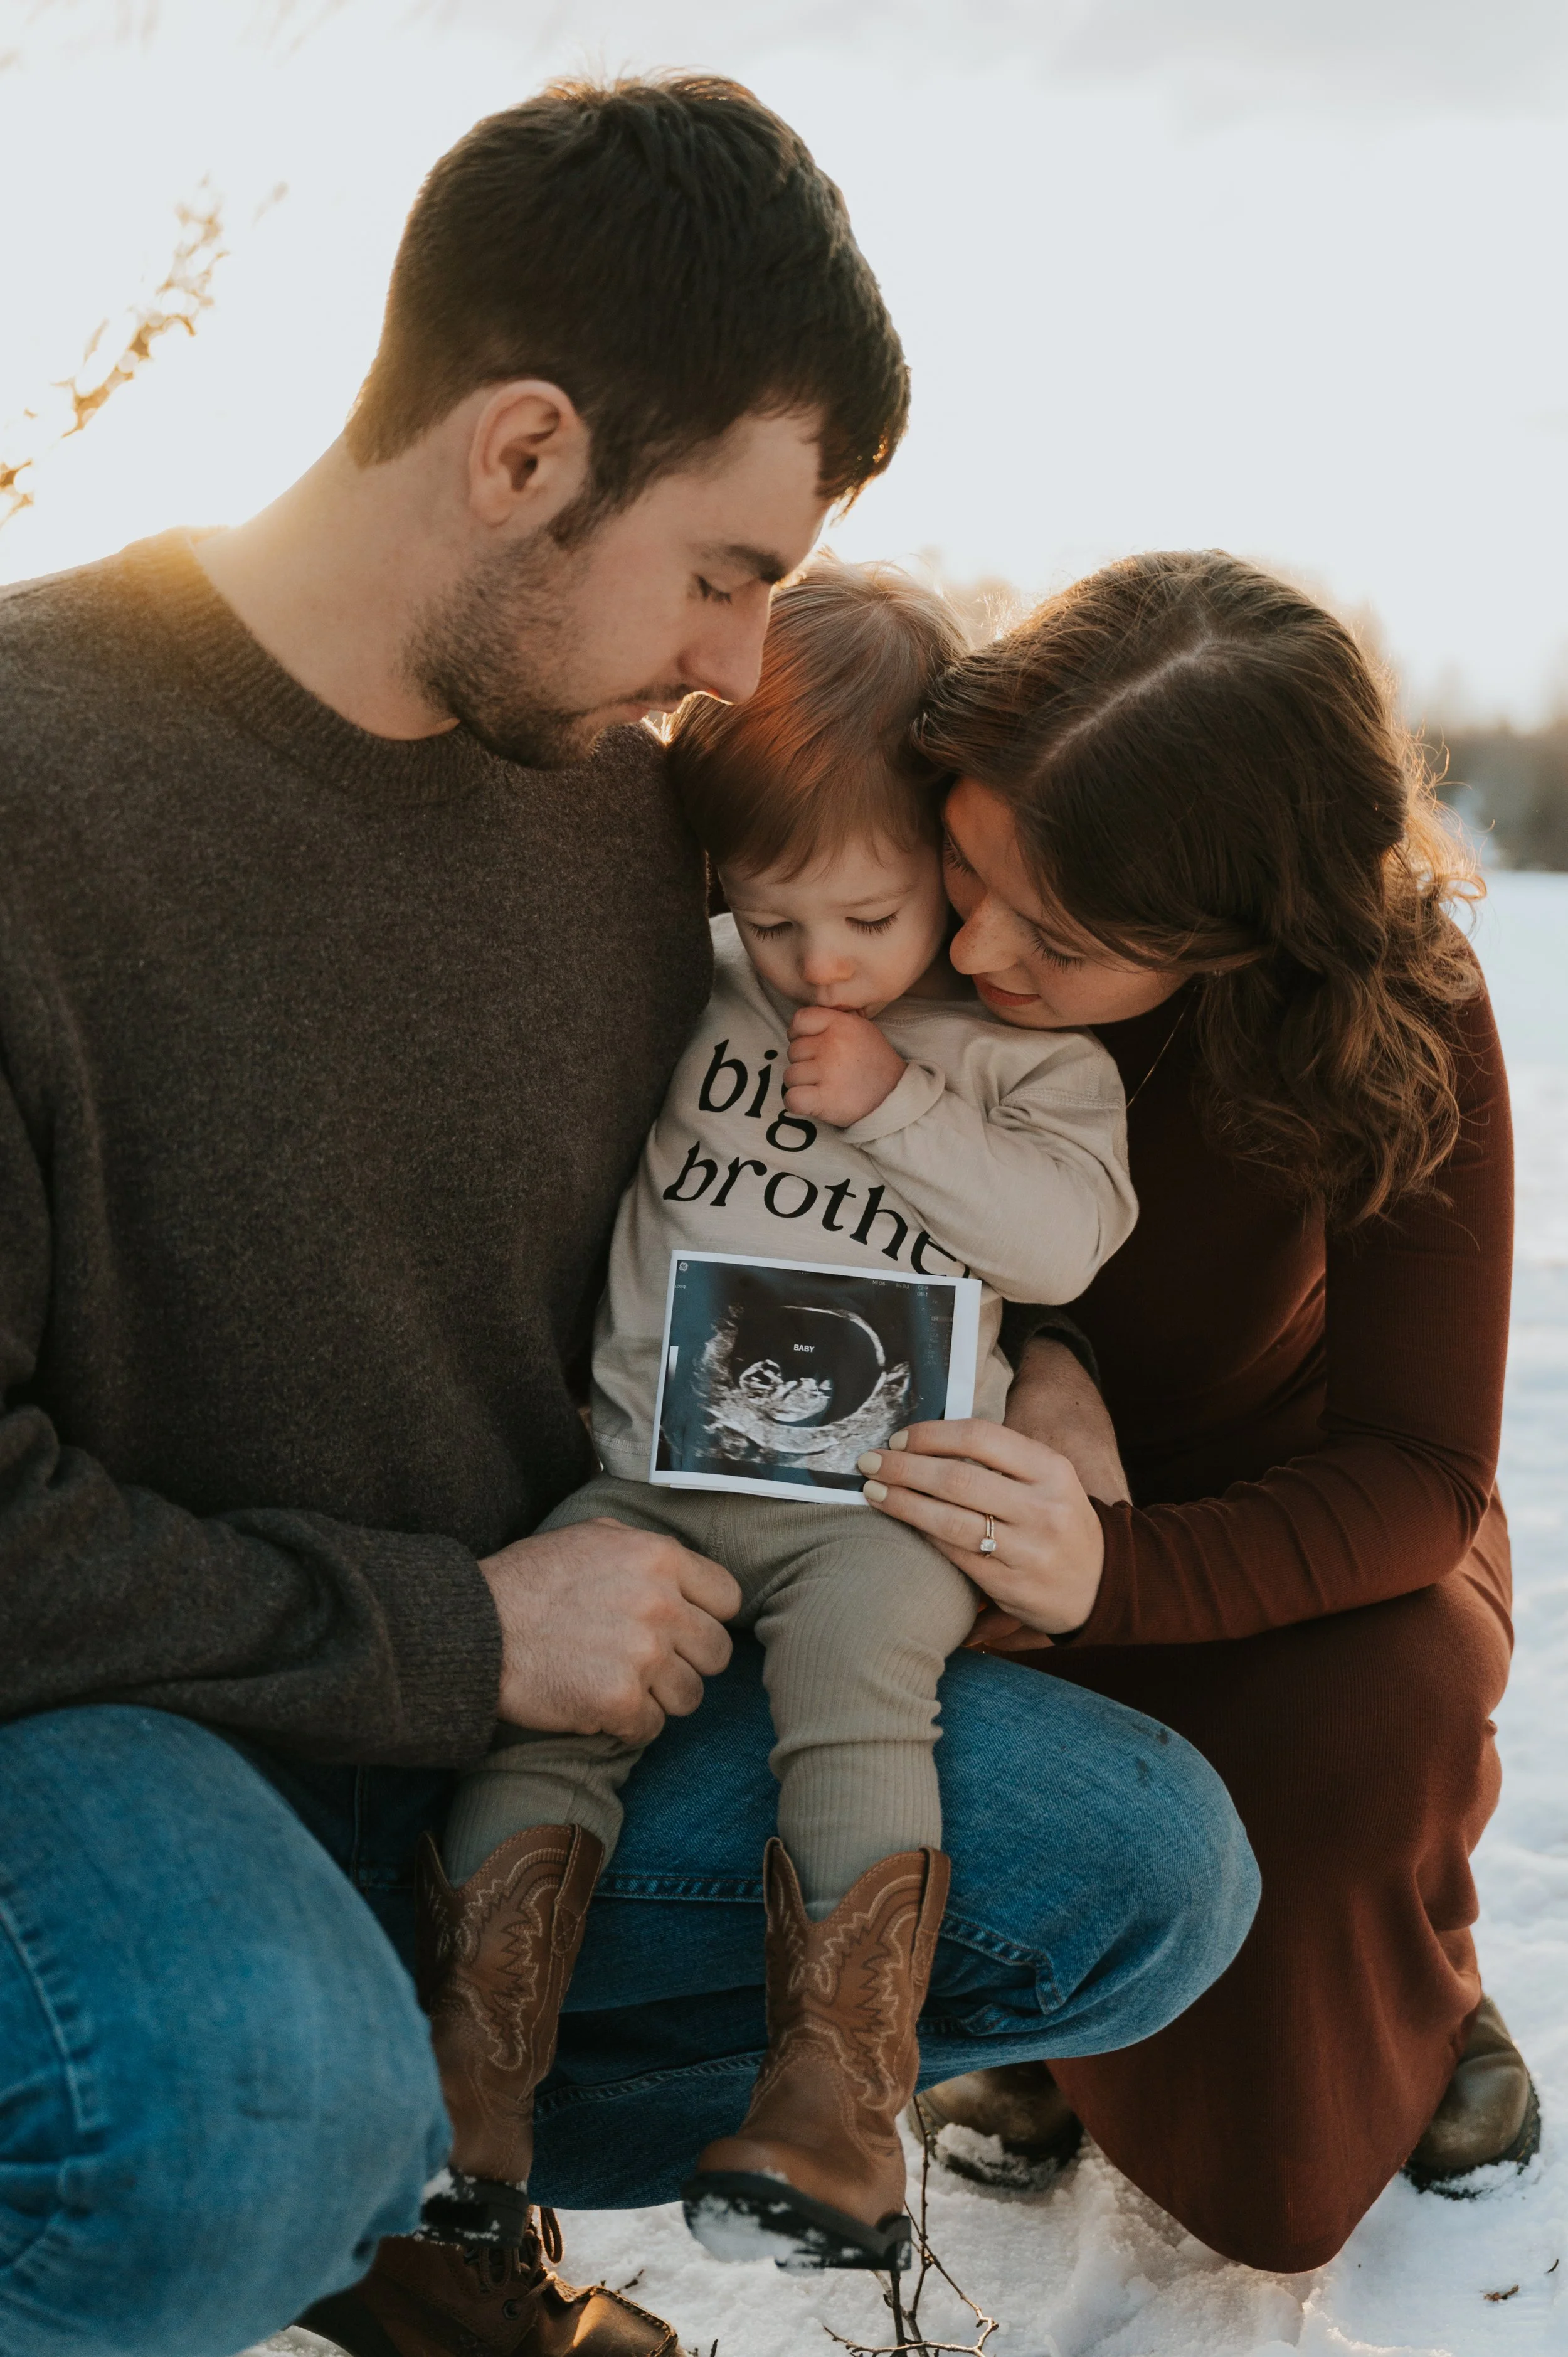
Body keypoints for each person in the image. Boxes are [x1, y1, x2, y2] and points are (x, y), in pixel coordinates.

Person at [0, 83, 1258, 2357]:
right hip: (118, 1720)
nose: (737, 664)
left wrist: (1028, 1362)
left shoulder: (623, 808)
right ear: (520, 452)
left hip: (560, 1684)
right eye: (725, 569)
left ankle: (426, 2153)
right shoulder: (28, 787)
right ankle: (314, 2137)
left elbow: (851, 1111)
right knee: (211, 2134)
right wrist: (464, 1636)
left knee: (1133, 1878)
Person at [415, 559, 1137, 2287]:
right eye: (774, 912)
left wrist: (893, 1105)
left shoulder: (1013, 1056)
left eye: (870, 918)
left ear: (953, 872)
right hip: (643, 1473)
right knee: (553, 1719)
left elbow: (1059, 1239)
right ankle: (465, 2085)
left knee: (861, 1687)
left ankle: (832, 2101)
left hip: (867, 1503)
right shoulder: (708, 984)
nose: (817, 960)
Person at [856, 550, 1535, 2272]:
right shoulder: (884, 926)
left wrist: (1120, 1575)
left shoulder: (1401, 1018)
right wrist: (1046, 1349)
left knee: (1356, 1743)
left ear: (1244, 934)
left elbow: (1417, 1469)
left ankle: (1414, 1987)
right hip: (967, 1488)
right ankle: (1034, 1986)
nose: (983, 942)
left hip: (1293, 1517)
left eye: (1066, 935)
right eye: (971, 861)